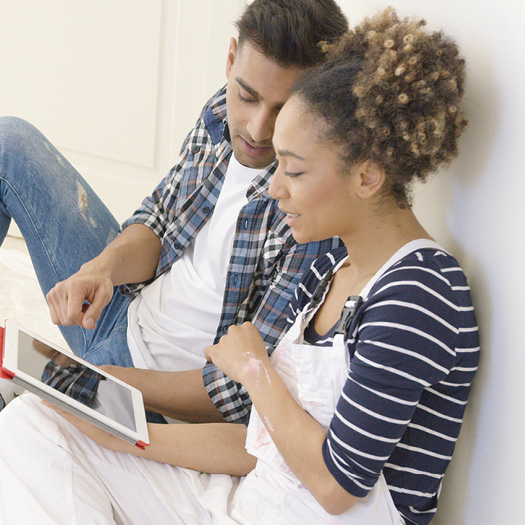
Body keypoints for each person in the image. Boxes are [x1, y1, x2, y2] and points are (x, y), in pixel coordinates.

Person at [0, 7, 479, 525]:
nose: (274, 186)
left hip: (274, 506)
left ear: (366, 177)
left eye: (292, 169)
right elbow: (256, 448)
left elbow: (339, 486)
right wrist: (109, 421)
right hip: (239, 501)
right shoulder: (328, 282)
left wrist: (254, 372)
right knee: (33, 422)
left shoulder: (421, 291)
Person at [0, 0, 348, 420]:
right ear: (231, 58)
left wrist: (99, 381)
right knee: (9, 143)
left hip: (159, 396)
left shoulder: (313, 207)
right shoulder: (221, 112)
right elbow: (161, 221)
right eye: (248, 96)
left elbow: (237, 392)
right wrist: (102, 269)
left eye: (283, 109)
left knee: (30, 419)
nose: (258, 129)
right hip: (119, 309)